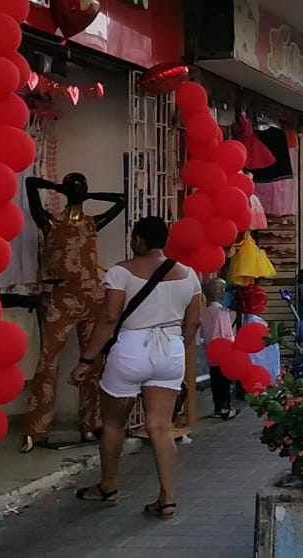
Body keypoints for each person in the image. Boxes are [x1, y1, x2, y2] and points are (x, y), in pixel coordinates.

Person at [70, 217, 202, 519]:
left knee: (114, 423)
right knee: (161, 426)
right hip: (170, 348)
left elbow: (109, 318)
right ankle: (167, 499)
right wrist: (178, 344)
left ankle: (108, 486)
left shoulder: (121, 272)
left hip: (131, 348)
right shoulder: (189, 275)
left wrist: (87, 360)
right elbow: (193, 322)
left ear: (139, 240)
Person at [198, 278, 237, 420]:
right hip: (222, 350)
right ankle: (225, 407)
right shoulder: (221, 312)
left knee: (215, 379)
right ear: (219, 292)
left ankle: (218, 407)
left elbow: (203, 333)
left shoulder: (206, 312)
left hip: (210, 349)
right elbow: (225, 333)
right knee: (224, 381)